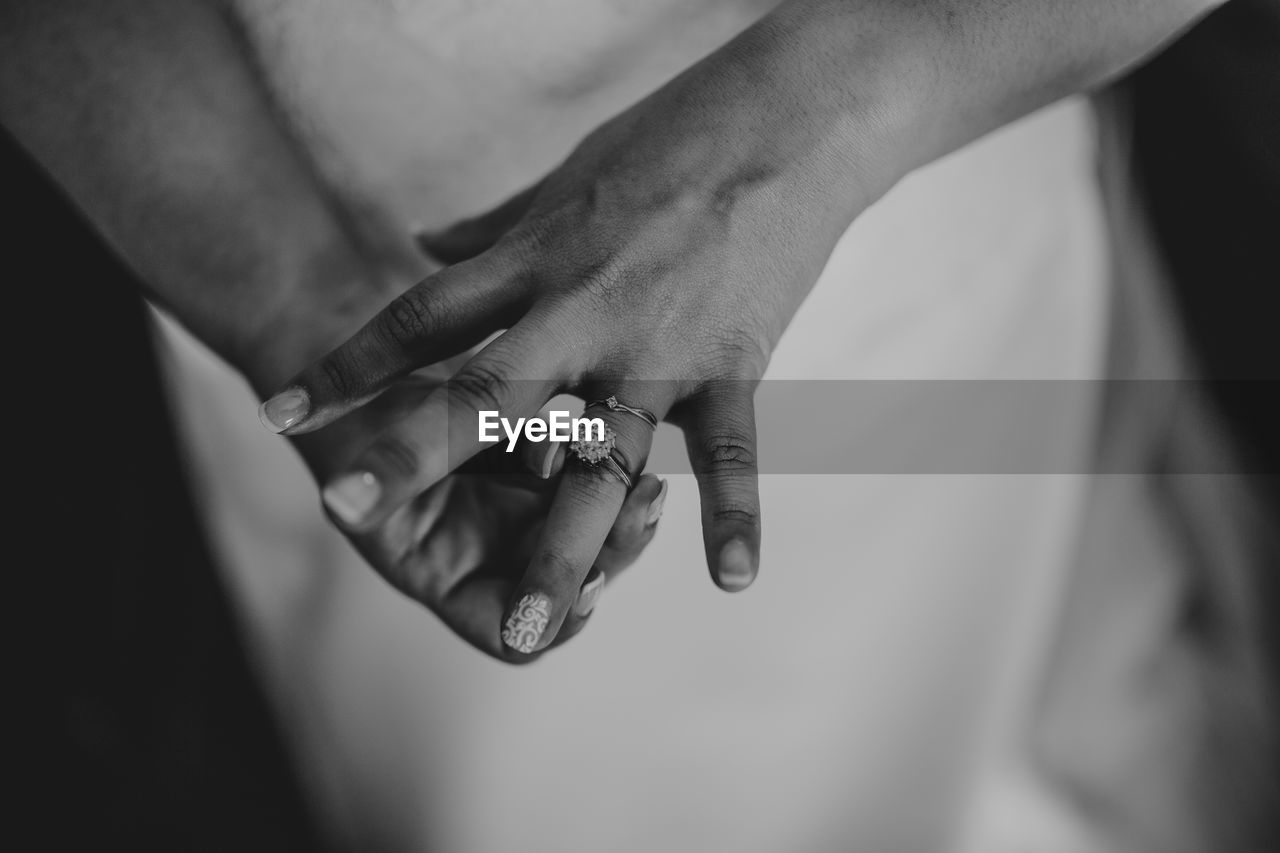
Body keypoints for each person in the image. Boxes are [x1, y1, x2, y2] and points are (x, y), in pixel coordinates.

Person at [5, 0, 1275, 850]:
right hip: (305, 230)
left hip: (924, 156)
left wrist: (796, 140)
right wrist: (299, 301)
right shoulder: (325, 315)